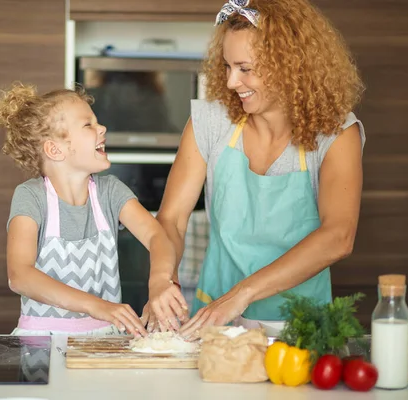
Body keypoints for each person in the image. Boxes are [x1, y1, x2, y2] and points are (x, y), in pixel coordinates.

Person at [150, 0, 366, 338]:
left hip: (301, 325)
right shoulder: (210, 122)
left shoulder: (337, 134)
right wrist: (162, 278)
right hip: (215, 319)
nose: (232, 82)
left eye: (245, 68)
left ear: (291, 65)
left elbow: (338, 236)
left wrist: (241, 295)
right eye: (226, 67)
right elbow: (172, 219)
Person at [0, 82, 187, 336]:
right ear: (54, 149)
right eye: (88, 125)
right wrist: (98, 306)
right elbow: (20, 276)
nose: (102, 128)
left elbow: (157, 236)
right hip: (41, 340)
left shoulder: (110, 192)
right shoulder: (31, 197)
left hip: (106, 337)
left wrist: (159, 280)